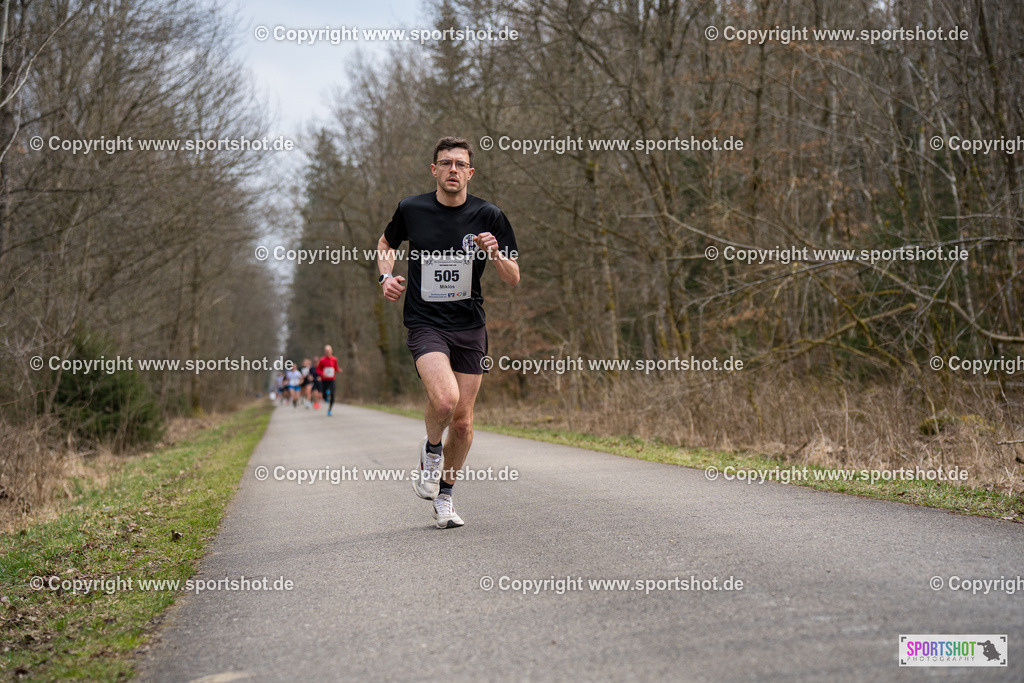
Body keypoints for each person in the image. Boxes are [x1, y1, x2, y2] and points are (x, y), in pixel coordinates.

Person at [376, 136, 519, 529]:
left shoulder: (490, 215)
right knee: (445, 401)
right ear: (434, 170)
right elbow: (386, 243)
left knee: (464, 422)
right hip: (425, 322)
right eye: (445, 163)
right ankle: (431, 452)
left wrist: (495, 254)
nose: (453, 170)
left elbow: (513, 277)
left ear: (470, 172)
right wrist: (385, 277)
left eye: (460, 164)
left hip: (470, 327)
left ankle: (445, 496)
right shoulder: (412, 208)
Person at [316, 346, 340, 416]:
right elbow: (318, 370)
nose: (328, 352)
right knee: (323, 395)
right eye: (326, 351)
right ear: (324, 352)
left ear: (331, 351)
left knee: (333, 394)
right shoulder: (322, 360)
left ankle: (329, 410)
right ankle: (326, 395)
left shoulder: (334, 359)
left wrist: (338, 370)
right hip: (324, 380)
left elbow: (336, 368)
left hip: (332, 379)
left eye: (329, 351)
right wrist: (322, 373)